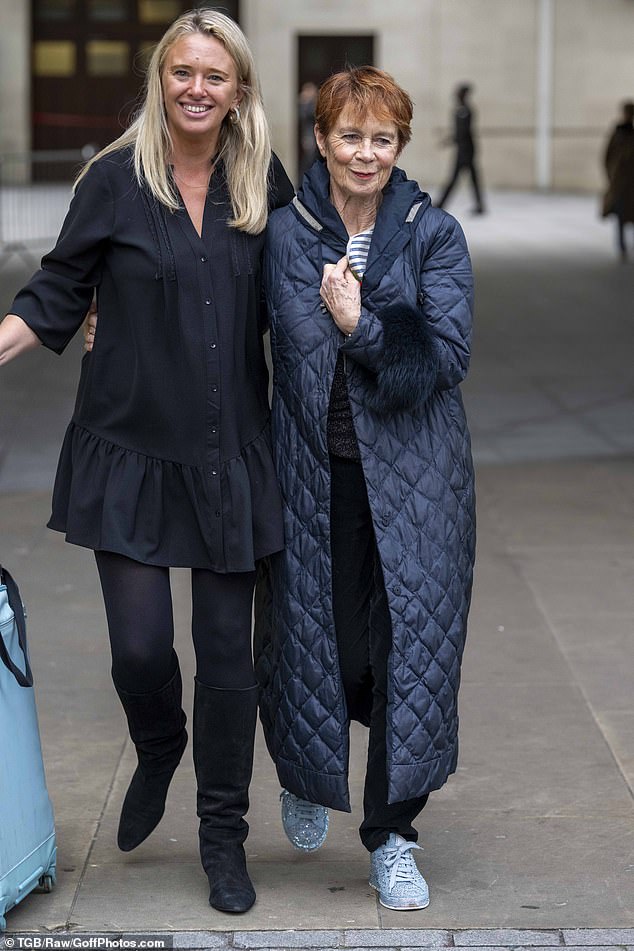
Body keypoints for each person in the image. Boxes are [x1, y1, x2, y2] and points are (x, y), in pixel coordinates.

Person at [0, 9, 293, 915]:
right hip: (128, 448)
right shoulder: (114, 181)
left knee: (229, 661)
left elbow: (299, 293)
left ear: (238, 90)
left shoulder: (262, 181)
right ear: (161, 79)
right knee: (138, 649)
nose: (197, 89)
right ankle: (159, 739)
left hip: (229, 453)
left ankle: (222, 836)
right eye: (182, 72)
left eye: (215, 75)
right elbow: (60, 285)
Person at [254, 67, 475, 911]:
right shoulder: (283, 234)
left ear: (399, 145)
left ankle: (392, 835)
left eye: (383, 138)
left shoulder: (433, 233)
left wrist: (361, 324)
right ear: (321, 139)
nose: (366, 153)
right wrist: (104, 314)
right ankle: (310, 770)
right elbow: (213, 322)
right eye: (350, 135)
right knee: (325, 648)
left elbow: (446, 357)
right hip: (315, 477)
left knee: (408, 656)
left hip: (419, 482)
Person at [436, 82, 485, 214]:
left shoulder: (465, 111)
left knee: (455, 178)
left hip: (466, 151)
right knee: (472, 178)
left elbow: (463, 132)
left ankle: (440, 204)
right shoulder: (460, 110)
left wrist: (451, 140)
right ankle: (480, 205)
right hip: (462, 149)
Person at [602, 100, 634, 261]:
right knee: (621, 216)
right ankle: (621, 247)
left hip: (630, 183)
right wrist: (612, 176)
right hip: (621, 182)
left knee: (628, 214)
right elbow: (608, 156)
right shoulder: (619, 132)